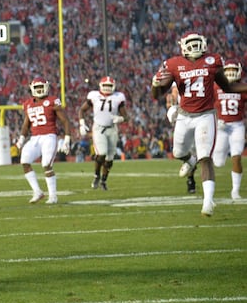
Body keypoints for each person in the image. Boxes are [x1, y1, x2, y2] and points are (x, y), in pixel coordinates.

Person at [151, 32, 247, 216]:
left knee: (206, 158)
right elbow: (158, 94)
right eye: (191, 44)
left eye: (197, 43)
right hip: (184, 116)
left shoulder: (213, 61)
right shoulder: (174, 64)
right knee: (178, 152)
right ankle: (189, 160)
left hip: (206, 116)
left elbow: (227, 86)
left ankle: (208, 202)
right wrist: (155, 85)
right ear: (183, 46)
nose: (195, 47)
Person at [15, 78, 72, 205]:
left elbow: (65, 120)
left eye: (42, 87)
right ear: (32, 89)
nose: (40, 90)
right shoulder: (28, 103)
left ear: (46, 87)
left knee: (46, 164)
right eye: (37, 87)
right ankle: (37, 191)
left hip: (49, 136)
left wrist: (67, 139)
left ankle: (53, 196)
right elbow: (26, 125)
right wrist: (21, 139)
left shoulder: (52, 101)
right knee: (24, 161)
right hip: (35, 138)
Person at [78, 76, 129, 190]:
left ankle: (104, 181)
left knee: (110, 159)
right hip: (99, 128)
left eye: (109, 86)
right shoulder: (94, 96)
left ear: (114, 86)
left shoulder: (118, 97)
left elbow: (126, 116)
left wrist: (120, 119)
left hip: (112, 129)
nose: (107, 88)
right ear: (100, 86)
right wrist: (82, 123)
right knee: (101, 153)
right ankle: (96, 175)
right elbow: (82, 110)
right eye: (105, 85)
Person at [211, 60, 245, 200]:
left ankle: (235, 191)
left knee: (236, 156)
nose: (230, 72)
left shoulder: (242, 87)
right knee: (217, 162)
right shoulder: (215, 87)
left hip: (237, 126)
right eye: (228, 70)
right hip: (221, 127)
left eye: (233, 69)